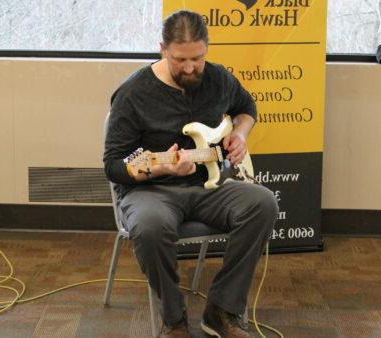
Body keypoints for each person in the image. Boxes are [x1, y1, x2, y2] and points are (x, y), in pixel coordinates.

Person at [103, 9, 278, 338]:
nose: (189, 68)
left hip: (207, 185)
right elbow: (113, 164)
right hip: (151, 191)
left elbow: (247, 108)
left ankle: (222, 311)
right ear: (162, 49)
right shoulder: (133, 94)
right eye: (180, 59)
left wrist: (240, 135)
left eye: (197, 58)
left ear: (206, 48)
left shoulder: (217, 79)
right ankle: (174, 319)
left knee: (263, 204)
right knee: (150, 226)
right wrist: (157, 166)